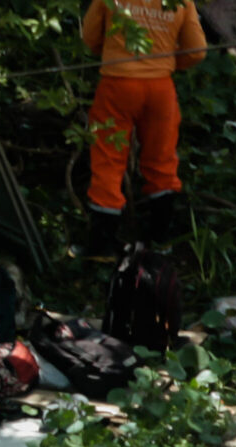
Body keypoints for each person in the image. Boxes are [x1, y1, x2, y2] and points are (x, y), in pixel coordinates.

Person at [79, 0, 207, 258]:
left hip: (117, 84)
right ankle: (160, 241)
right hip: (161, 88)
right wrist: (165, 63)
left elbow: (89, 38)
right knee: (162, 160)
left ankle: (102, 246)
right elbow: (196, 51)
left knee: (108, 159)